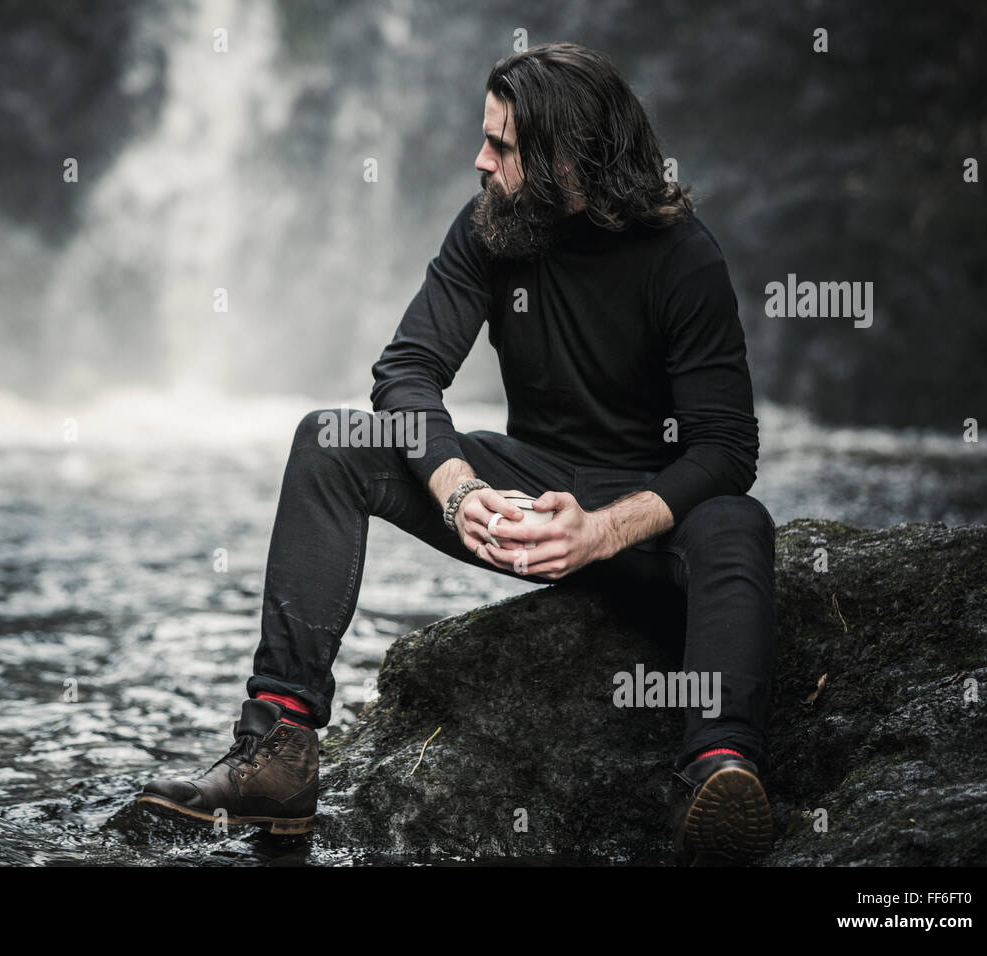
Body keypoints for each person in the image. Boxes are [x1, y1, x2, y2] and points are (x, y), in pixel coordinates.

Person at [139, 41, 777, 864]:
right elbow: (406, 371)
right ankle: (281, 749)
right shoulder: (494, 226)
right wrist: (458, 487)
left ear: (569, 159)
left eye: (502, 146)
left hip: (644, 525)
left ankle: (719, 775)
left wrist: (601, 531)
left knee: (737, 522)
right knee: (329, 442)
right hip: (525, 494)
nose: (480, 159)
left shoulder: (685, 257)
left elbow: (727, 448)